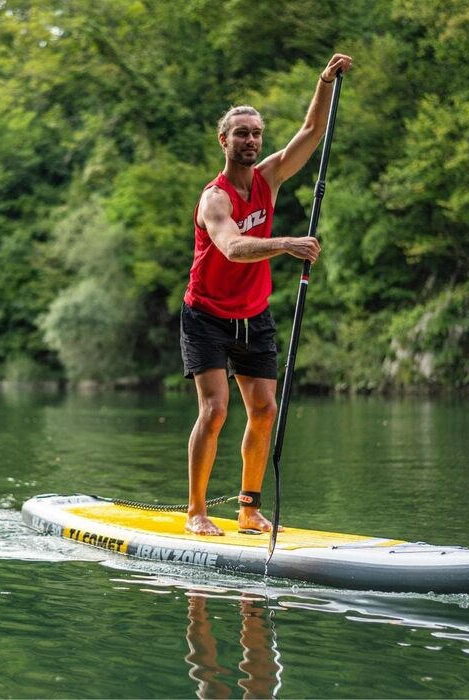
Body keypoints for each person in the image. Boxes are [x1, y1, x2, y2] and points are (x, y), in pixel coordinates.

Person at [181, 53, 353, 536]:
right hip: (207, 315)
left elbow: (312, 132)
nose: (251, 140)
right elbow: (233, 247)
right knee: (214, 411)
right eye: (242, 133)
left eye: (256, 133)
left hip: (254, 315)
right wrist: (286, 244)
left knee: (265, 410)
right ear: (224, 141)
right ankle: (196, 511)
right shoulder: (215, 197)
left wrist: (324, 81)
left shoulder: (270, 177)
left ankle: (248, 508)